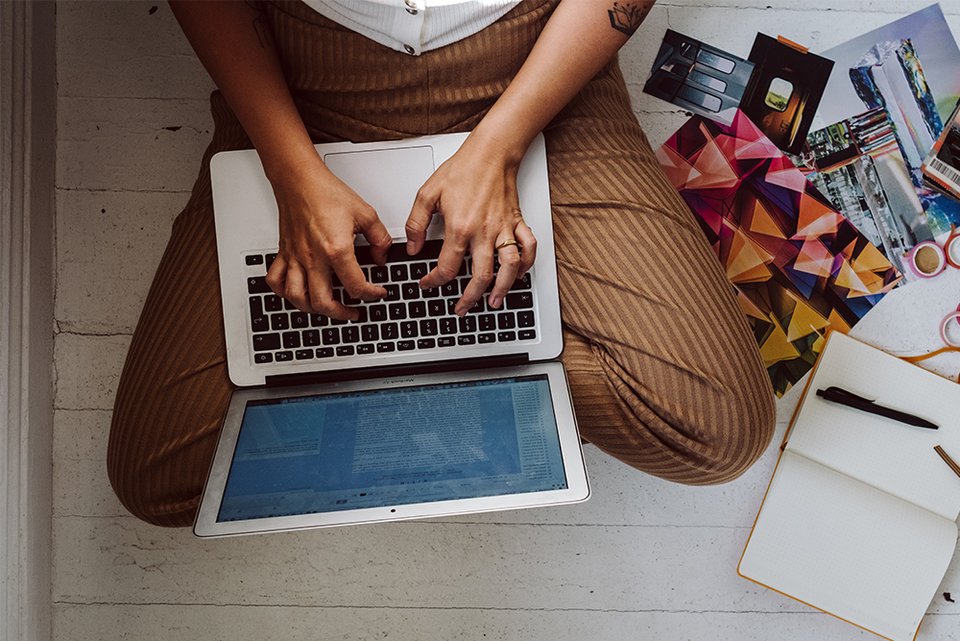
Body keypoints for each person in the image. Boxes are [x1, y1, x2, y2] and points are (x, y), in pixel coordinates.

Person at [107, 0, 776, 527]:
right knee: (159, 473)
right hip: (301, 83)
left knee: (718, 429)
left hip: (537, 70)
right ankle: (462, 354)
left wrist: (503, 145)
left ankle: (380, 360)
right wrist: (290, 171)